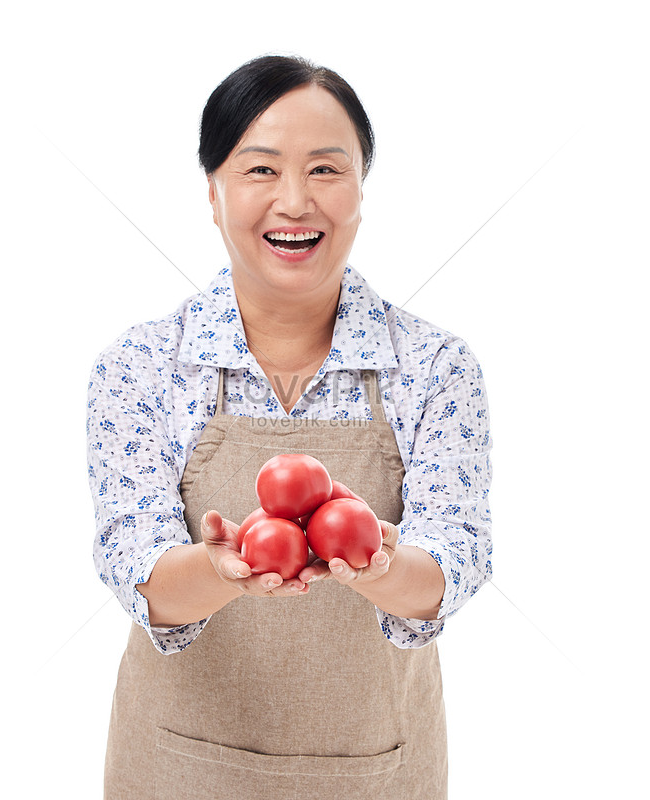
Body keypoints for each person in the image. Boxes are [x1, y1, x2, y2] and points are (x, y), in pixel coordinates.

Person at [86, 54, 493, 800]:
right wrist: (217, 570)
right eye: (262, 170)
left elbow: (454, 561)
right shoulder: (141, 367)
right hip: (175, 773)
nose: (296, 201)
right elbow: (135, 570)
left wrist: (380, 568)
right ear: (213, 192)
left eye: (327, 170)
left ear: (362, 192)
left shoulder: (436, 368)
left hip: (379, 772)